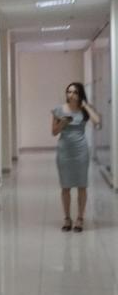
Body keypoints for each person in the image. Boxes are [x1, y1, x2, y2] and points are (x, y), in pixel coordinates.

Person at [51, 82, 101, 232]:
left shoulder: (84, 110)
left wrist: (86, 106)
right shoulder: (59, 110)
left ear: (80, 95)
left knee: (81, 185)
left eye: (74, 92)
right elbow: (54, 132)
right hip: (64, 151)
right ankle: (67, 218)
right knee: (65, 186)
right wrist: (63, 123)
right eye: (69, 92)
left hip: (81, 151)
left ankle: (80, 218)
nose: (71, 95)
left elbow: (97, 121)